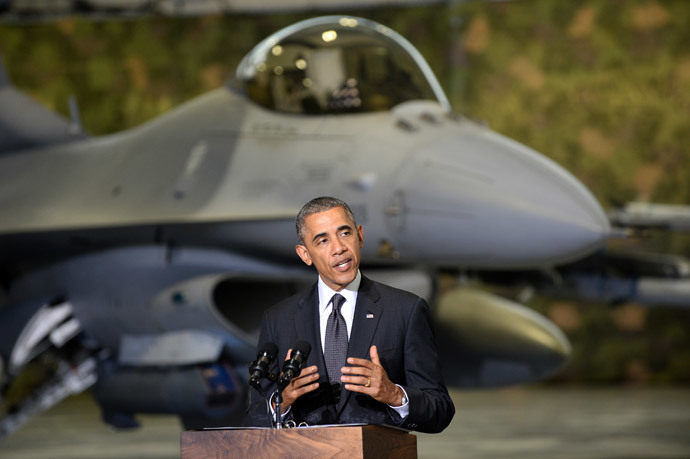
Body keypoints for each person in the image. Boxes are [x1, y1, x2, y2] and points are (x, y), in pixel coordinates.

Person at [244, 196, 454, 433]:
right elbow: (254, 418)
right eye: (323, 240)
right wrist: (283, 401)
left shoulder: (405, 310)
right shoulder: (279, 319)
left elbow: (440, 410)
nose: (339, 248)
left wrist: (393, 394)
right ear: (305, 254)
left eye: (345, 234)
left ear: (360, 236)